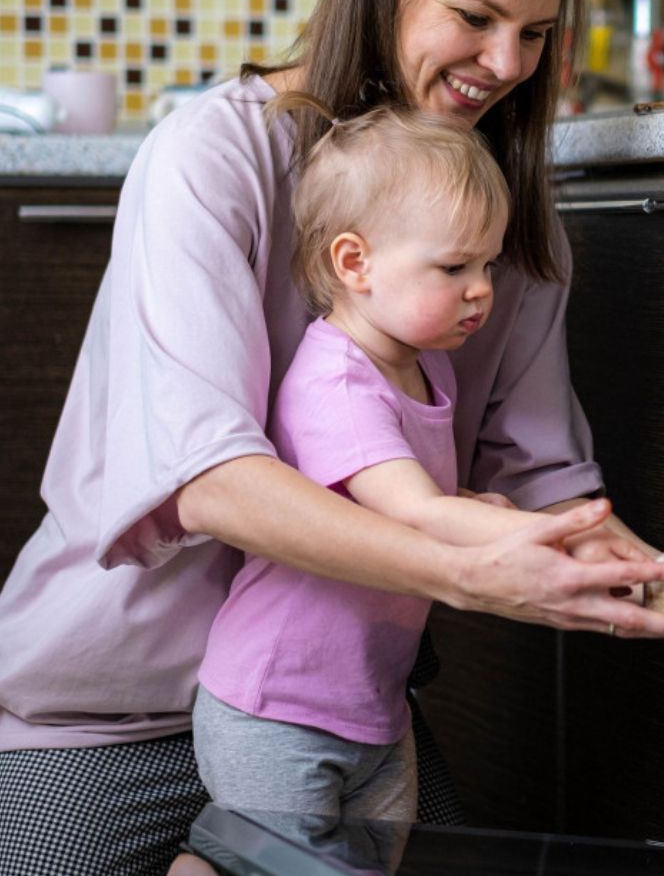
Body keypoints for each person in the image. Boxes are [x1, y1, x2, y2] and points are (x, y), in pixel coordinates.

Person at [0, 0, 664, 873]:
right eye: (476, 17)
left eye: (535, 31)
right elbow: (211, 482)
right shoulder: (212, 161)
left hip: (334, 708)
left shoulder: (503, 235)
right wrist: (465, 568)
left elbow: (545, 489)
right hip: (113, 704)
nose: (509, 61)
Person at [194, 98, 553, 838]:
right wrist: (539, 539)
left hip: (369, 702)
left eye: (487, 263)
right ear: (354, 263)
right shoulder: (339, 384)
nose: (482, 287)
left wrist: (473, 502)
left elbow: (402, 496)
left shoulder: (424, 369)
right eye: (455, 266)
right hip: (279, 704)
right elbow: (415, 513)